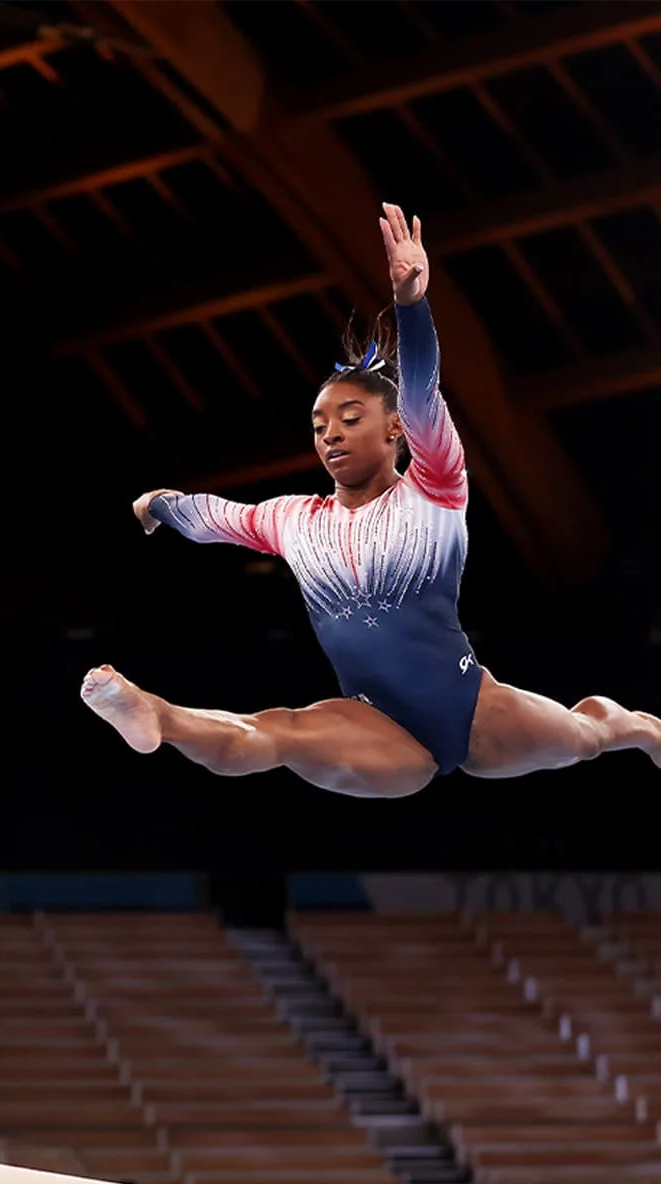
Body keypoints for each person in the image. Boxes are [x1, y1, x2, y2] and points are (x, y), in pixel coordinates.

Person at [81, 203, 661, 797]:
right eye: (318, 425)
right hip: (374, 725)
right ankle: (156, 713)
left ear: (394, 431)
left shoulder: (435, 484)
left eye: (350, 418)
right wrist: (160, 504)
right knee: (278, 733)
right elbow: (212, 517)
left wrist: (411, 304)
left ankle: (642, 727)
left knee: (589, 737)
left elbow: (420, 391)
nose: (330, 433)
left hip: (473, 710)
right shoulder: (292, 520)